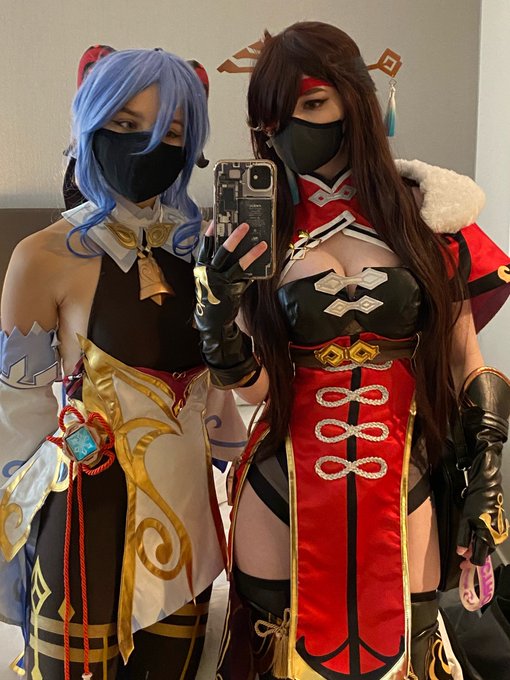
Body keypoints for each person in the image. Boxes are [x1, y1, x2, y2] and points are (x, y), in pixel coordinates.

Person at [193, 22, 510, 680]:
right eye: (276, 117)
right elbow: (257, 388)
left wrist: (487, 476)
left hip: (402, 469)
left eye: (313, 104)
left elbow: (465, 359)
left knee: (407, 654)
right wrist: (217, 320)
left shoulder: (430, 213)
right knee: (274, 657)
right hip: (282, 478)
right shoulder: (256, 227)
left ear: (357, 100)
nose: (294, 129)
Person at [0, 48, 245, 679]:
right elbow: (17, 409)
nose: (148, 147)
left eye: (171, 133)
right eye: (126, 125)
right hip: (84, 511)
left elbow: (226, 392)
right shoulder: (41, 256)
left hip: (188, 517)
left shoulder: (208, 253)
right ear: (91, 124)